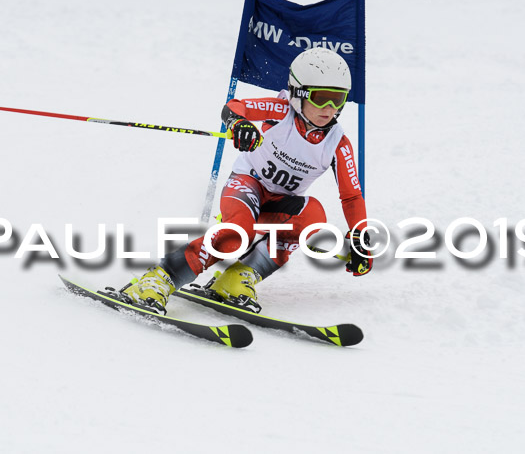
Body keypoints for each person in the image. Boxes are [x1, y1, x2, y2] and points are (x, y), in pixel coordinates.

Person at [122, 47, 372, 315]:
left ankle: (236, 278)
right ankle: (159, 278)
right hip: (247, 186)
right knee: (237, 232)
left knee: (312, 215)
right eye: (321, 98)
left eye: (338, 99)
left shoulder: (337, 143)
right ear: (298, 94)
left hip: (278, 204)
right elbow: (234, 107)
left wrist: (360, 237)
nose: (330, 109)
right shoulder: (280, 111)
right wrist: (238, 124)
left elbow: (351, 197)